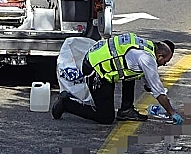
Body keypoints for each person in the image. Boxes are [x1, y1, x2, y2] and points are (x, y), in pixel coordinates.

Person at [51, 33, 183, 125]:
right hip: (96, 71)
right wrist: (171, 113)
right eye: (165, 61)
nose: (164, 64)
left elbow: (140, 71)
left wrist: (149, 84)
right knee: (106, 117)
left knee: (131, 72)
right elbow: (158, 92)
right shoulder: (147, 59)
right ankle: (66, 103)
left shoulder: (145, 46)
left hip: (98, 60)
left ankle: (126, 110)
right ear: (159, 55)